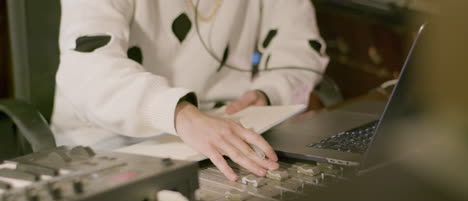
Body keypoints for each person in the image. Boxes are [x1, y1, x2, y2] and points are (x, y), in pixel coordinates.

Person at [52, 0, 329, 181]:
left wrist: (269, 94)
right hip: (114, 138)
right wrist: (180, 114)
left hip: (226, 128)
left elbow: (299, 49)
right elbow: (88, 64)